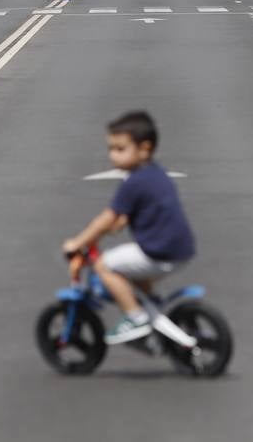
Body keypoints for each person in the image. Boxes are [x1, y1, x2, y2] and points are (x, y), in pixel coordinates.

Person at [62, 111, 196, 345]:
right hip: (180, 249)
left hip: (159, 252)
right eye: (111, 149)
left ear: (144, 148)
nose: (113, 155)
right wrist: (120, 223)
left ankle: (136, 318)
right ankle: (150, 303)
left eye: (120, 149)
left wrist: (78, 243)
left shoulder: (134, 183)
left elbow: (106, 219)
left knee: (104, 265)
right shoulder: (155, 173)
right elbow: (135, 212)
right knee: (132, 263)